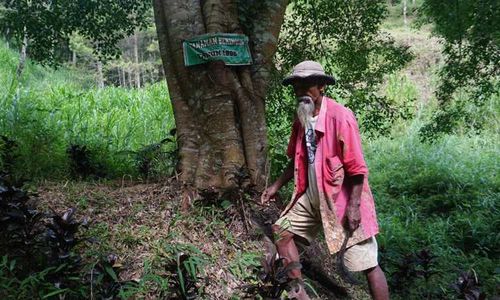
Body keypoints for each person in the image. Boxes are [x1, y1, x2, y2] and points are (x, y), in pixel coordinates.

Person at [261, 61, 389, 300]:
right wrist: (276, 185)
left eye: (307, 85)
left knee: (367, 263)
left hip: (341, 200)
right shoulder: (301, 118)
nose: (300, 91)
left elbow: (358, 168)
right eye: (296, 86)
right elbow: (297, 159)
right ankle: (301, 295)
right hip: (310, 196)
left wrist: (353, 207)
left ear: (321, 87)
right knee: (281, 232)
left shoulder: (341, 117)